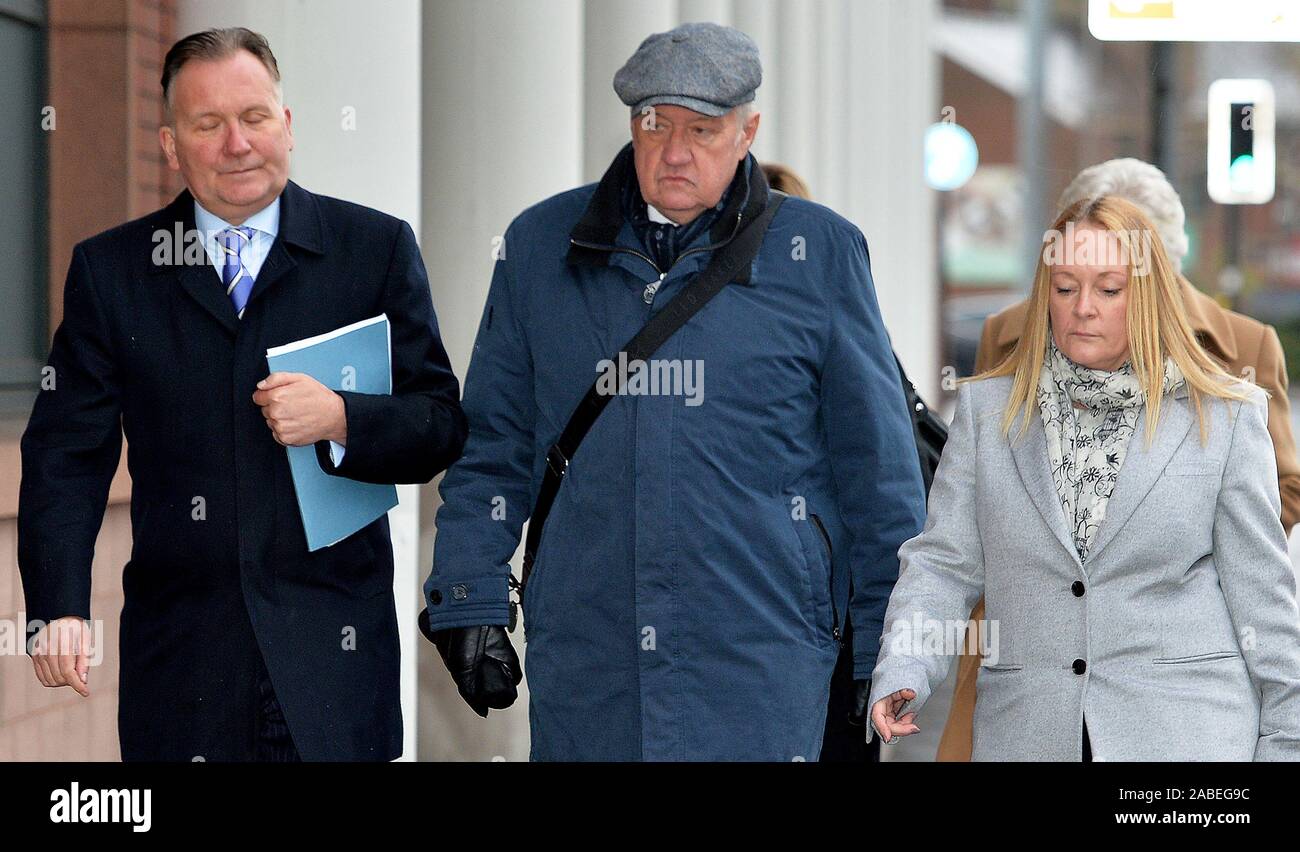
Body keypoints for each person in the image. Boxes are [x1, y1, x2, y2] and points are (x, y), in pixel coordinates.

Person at [422, 22, 926, 760]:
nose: (676, 152)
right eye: (656, 127)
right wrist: (468, 589)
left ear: (749, 131)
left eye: (703, 129)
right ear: (631, 124)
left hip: (763, 657)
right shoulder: (539, 247)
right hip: (593, 659)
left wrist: (887, 649)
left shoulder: (819, 253)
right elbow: (494, 440)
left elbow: (878, 474)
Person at [19, 27, 467, 761]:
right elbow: (65, 455)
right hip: (184, 666)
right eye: (208, 124)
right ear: (170, 145)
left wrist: (341, 418)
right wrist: (59, 604)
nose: (237, 144)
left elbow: (440, 425)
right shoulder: (112, 272)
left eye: (255, 117)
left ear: (286, 126)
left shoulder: (373, 249)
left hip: (333, 661)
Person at [869, 195, 1300, 761]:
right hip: (1026, 735)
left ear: (1146, 295)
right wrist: (906, 666)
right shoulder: (987, 412)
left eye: (1108, 289)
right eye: (1066, 287)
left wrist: (1284, 746)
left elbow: (1265, 607)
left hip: (1186, 745)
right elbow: (943, 564)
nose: (1083, 308)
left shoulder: (1224, 417)